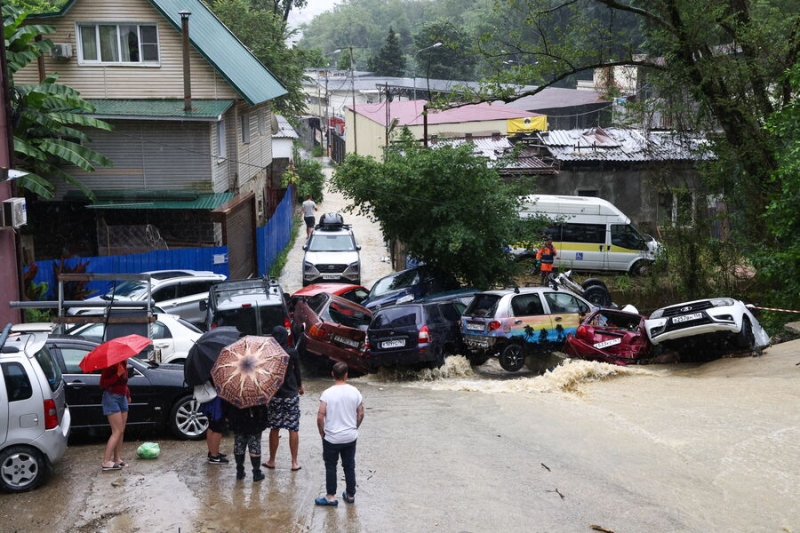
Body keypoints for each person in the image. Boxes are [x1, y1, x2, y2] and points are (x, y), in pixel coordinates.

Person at [315, 362, 364, 507]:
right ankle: (350, 495)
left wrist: (321, 431)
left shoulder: (327, 393)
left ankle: (331, 497)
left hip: (331, 437)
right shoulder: (355, 391)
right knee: (349, 465)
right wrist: (355, 427)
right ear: (346, 375)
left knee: (331, 466)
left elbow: (320, 416)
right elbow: (361, 413)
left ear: (332, 374)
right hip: (350, 436)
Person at [264, 326, 304, 471]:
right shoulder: (292, 352)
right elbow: (297, 371)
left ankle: (271, 460)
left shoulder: (269, 354)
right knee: (293, 428)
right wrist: (300, 386)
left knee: (275, 428)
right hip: (291, 395)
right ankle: (294, 462)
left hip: (275, 395)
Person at [225, 402, 270, 481]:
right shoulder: (257, 394)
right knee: (254, 444)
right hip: (254, 417)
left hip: (238, 418)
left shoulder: (235, 395)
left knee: (239, 444)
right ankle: (256, 472)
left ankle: (240, 471)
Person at [100, 360, 130, 471]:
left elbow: (124, 382)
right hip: (111, 397)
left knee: (121, 430)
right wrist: (117, 375)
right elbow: (103, 383)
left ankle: (117, 458)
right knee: (116, 431)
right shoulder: (109, 365)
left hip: (122, 398)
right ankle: (106, 461)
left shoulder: (124, 363)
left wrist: (127, 394)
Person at [201, 391, 229, 464]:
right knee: (217, 428)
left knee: (212, 426)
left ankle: (212, 452)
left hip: (211, 398)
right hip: (217, 401)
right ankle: (214, 456)